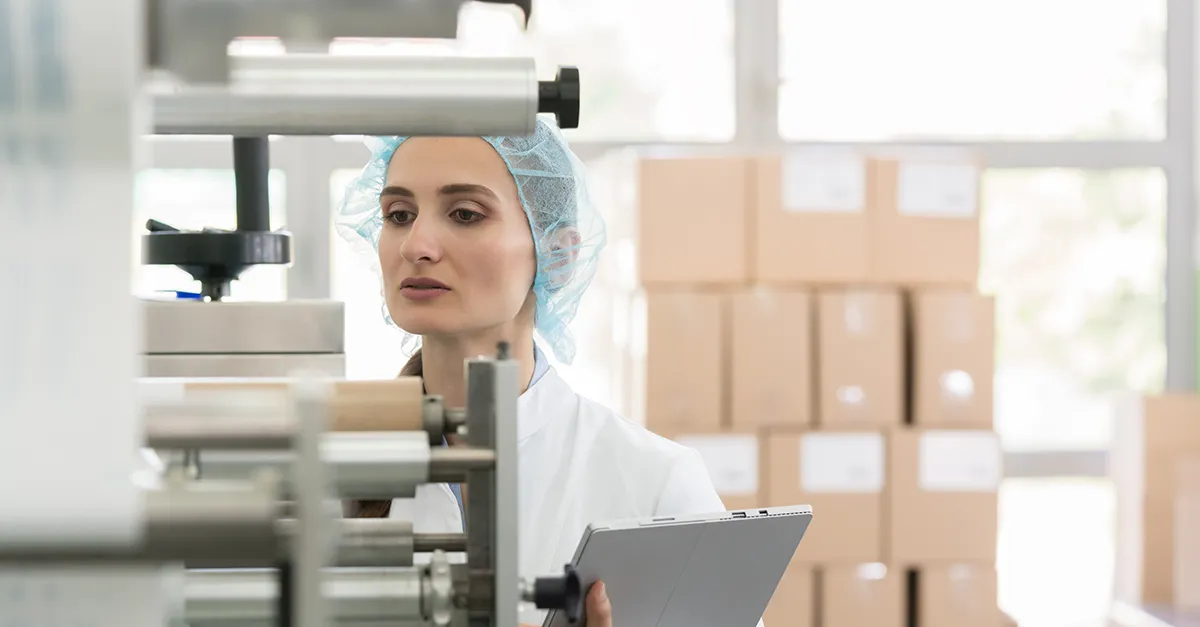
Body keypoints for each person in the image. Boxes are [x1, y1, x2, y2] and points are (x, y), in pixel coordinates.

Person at [334, 117, 731, 627]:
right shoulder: (323, 471)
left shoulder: (655, 484)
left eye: (464, 213)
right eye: (399, 214)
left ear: (557, 254)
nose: (416, 245)